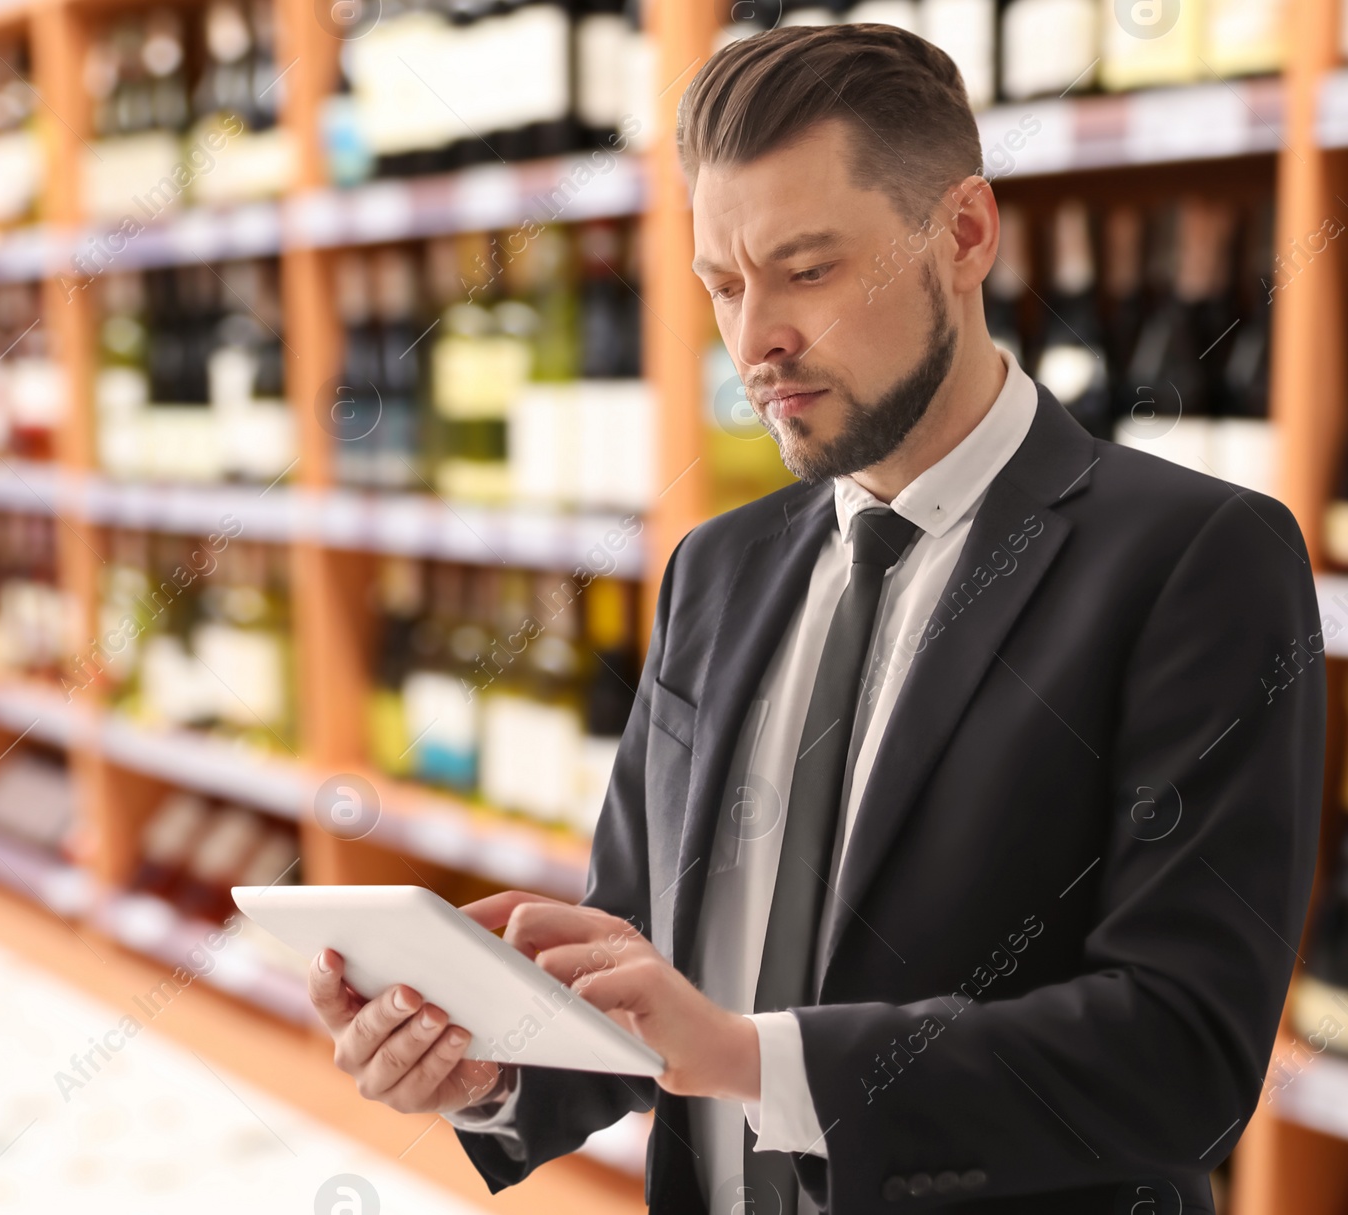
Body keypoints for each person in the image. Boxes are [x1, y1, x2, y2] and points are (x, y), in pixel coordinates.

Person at [308, 23, 1325, 1214]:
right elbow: (649, 964)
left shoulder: (1195, 559)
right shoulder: (715, 568)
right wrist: (494, 1066)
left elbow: (1184, 1055)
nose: (755, 342)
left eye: (806, 271)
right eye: (723, 287)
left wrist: (752, 1058)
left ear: (962, 234)